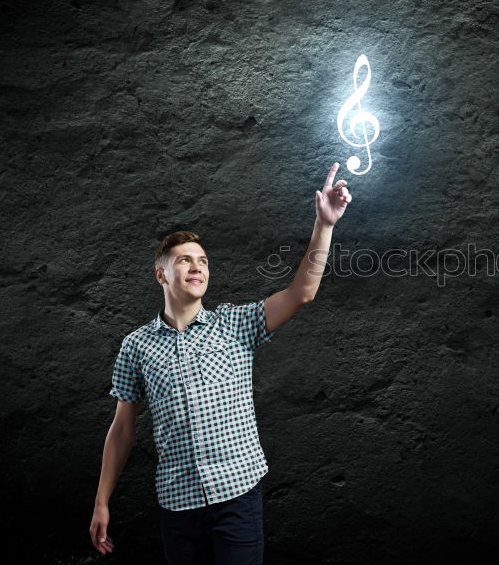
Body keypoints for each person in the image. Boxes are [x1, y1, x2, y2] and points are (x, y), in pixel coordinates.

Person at [89, 164, 353, 564]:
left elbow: (302, 292)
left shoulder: (236, 323)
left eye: (203, 260)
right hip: (177, 505)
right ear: (161, 274)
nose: (197, 266)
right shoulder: (135, 346)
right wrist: (102, 500)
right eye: (184, 261)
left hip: (238, 497)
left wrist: (324, 225)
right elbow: (123, 429)